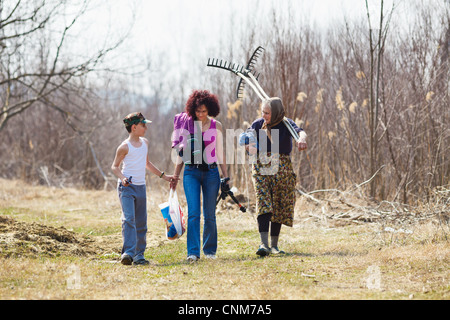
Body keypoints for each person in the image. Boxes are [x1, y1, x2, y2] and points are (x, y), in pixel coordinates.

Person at [243, 98, 307, 256]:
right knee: (264, 201)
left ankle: (274, 246)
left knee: (278, 203)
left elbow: (300, 132)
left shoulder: (286, 123)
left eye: (267, 113)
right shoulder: (258, 124)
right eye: (262, 112)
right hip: (261, 166)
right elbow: (246, 139)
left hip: (282, 166)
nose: (263, 115)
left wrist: (302, 139)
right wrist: (248, 146)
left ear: (276, 112)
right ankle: (263, 244)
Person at [111, 112, 177, 265]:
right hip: (126, 188)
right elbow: (114, 166)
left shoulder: (145, 143)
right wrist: (123, 178)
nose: (146, 128)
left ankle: (139, 255)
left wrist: (164, 176)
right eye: (143, 125)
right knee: (129, 219)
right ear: (134, 127)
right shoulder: (123, 147)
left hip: (141, 188)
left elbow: (147, 163)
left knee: (141, 222)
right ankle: (128, 253)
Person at [170, 90, 229, 263]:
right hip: (191, 172)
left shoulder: (215, 126)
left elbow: (220, 153)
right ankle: (193, 252)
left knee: (209, 214)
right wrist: (175, 175)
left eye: (204, 111)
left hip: (211, 173)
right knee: (194, 213)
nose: (201, 114)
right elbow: (181, 152)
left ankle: (210, 251)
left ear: (210, 109)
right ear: (192, 110)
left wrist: (226, 177)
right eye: (198, 111)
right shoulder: (187, 125)